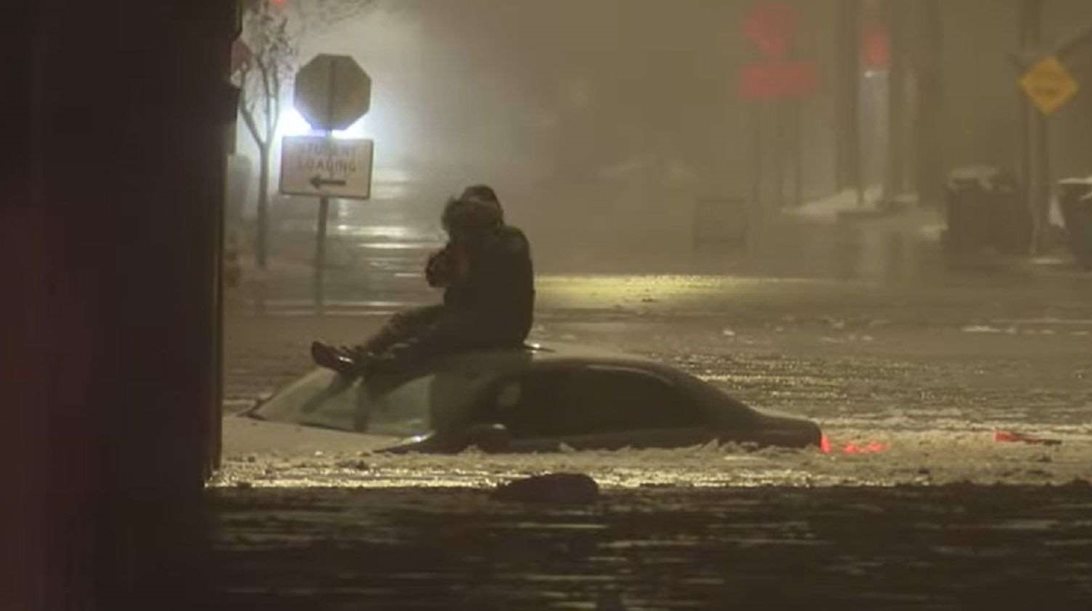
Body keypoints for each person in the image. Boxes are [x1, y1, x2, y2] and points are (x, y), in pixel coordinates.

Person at [310, 184, 535, 377]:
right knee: (406, 321)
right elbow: (436, 278)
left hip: (502, 323)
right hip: (466, 313)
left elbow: (489, 284)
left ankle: (380, 366)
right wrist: (444, 263)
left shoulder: (509, 241)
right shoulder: (463, 243)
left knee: (435, 335)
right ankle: (359, 353)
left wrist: (466, 260)